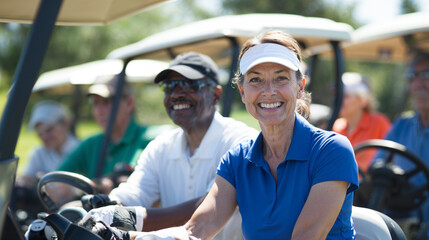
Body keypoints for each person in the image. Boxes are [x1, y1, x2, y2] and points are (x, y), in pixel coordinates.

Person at [89, 30, 359, 240]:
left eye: (280, 78)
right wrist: (122, 235)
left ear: (299, 87)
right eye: (255, 79)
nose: (268, 91)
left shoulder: (332, 150)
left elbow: (305, 237)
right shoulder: (237, 160)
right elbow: (196, 231)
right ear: (242, 93)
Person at [82, 52, 259, 239]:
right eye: (169, 86)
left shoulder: (241, 142)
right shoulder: (160, 147)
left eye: (189, 85)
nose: (176, 94)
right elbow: (134, 194)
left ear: (216, 95)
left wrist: (122, 217)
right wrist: (108, 205)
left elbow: (212, 205)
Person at [57, 76, 155, 183]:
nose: (99, 111)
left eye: (107, 102)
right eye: (95, 103)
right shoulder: (90, 145)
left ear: (129, 103)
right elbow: (57, 178)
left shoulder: (151, 139)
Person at [377, 51, 429, 222]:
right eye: (412, 76)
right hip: (399, 221)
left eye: (427, 75)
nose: (418, 84)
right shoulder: (402, 125)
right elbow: (376, 166)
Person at [333, 72, 391, 172]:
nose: (338, 100)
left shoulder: (379, 123)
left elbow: (393, 158)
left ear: (362, 101)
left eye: (345, 96)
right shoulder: (337, 126)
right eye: (338, 96)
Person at [16, 100, 80, 187]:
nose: (44, 137)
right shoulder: (39, 153)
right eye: (39, 133)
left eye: (49, 130)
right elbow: (27, 178)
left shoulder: (80, 150)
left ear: (65, 124)